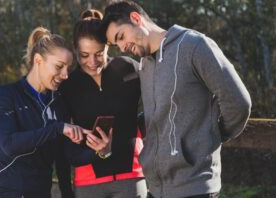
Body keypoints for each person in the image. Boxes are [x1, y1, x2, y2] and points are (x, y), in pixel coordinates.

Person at [100, 1, 252, 198]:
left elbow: (238, 103)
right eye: (116, 44)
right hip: (157, 189)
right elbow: (162, 114)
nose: (121, 47)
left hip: (195, 188)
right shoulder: (145, 66)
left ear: (136, 19)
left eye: (120, 37)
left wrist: (212, 135)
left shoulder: (194, 45)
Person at [0, 27, 85, 198]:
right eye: (59, 67)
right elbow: (9, 145)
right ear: (38, 60)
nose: (65, 75)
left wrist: (101, 150)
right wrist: (57, 128)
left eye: (68, 68)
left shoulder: (59, 103)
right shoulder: (7, 95)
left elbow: (63, 158)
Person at [60, 9, 148, 198]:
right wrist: (66, 191)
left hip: (131, 176)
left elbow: (158, 106)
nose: (92, 62)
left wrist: (140, 126)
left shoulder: (129, 69)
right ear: (75, 50)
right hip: (87, 182)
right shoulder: (67, 85)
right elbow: (62, 142)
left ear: (109, 45)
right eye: (84, 55)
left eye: (99, 53)